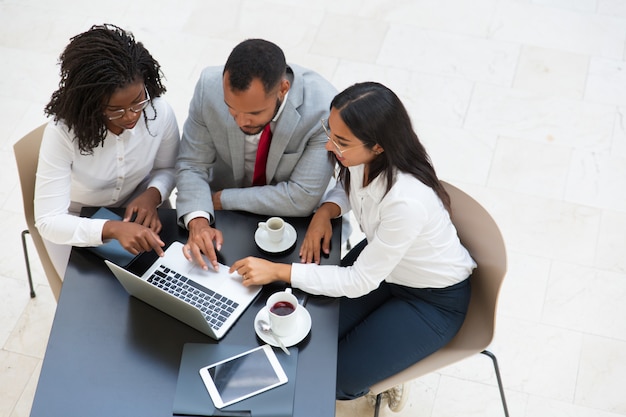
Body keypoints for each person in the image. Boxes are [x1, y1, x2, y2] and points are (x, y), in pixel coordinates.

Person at [229, 82, 476, 404]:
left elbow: (359, 281)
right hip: (384, 263)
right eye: (329, 132)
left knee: (334, 379)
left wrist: (278, 271)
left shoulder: (406, 202)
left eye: (341, 142)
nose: (330, 147)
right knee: (305, 337)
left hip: (431, 300)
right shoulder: (363, 160)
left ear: (378, 146)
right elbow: (348, 188)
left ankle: (388, 373)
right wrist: (325, 212)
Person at [175, 39, 337, 271]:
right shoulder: (207, 87)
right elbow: (191, 164)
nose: (241, 121)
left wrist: (222, 199)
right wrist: (199, 221)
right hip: (220, 219)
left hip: (288, 225)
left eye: (253, 113)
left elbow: (301, 197)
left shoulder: (324, 108)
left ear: (283, 89)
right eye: (231, 108)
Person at [35, 24, 180, 278]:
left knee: (162, 284)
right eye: (116, 110)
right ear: (91, 103)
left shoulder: (158, 112)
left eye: (138, 101)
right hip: (78, 219)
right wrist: (110, 229)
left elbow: (169, 167)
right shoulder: (62, 132)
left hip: (141, 210)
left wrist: (153, 194)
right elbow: (49, 220)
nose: (132, 115)